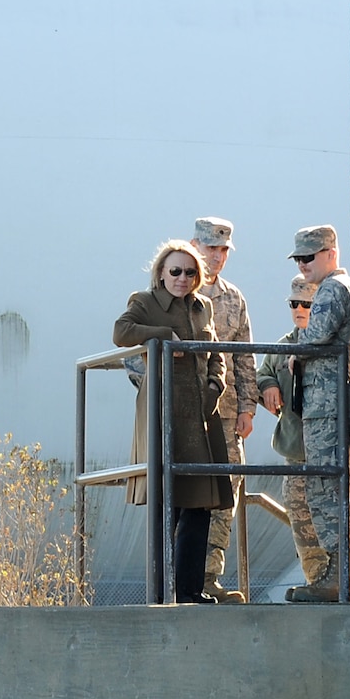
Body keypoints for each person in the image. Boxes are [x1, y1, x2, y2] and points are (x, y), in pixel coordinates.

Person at [114, 240, 230, 604]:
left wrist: (215, 386)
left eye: (190, 272)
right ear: (161, 272)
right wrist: (164, 338)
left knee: (200, 508)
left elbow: (217, 356)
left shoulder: (203, 307)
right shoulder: (145, 302)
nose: (182, 278)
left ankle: (191, 591)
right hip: (164, 413)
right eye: (175, 271)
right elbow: (121, 332)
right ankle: (162, 593)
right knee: (169, 506)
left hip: (200, 415)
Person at [190, 216, 259, 601]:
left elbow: (244, 355)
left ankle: (208, 576)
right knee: (187, 489)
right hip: (188, 413)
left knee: (226, 494)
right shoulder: (179, 288)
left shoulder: (234, 298)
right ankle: (181, 573)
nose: (216, 257)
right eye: (210, 248)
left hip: (228, 413)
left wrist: (248, 406)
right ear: (194, 244)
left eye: (222, 250)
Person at [286, 224, 350, 602]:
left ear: (330, 253)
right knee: (319, 483)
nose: (301, 265)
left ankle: (338, 572)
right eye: (298, 258)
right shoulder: (327, 287)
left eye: (307, 257)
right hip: (320, 405)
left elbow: (319, 332)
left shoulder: (334, 287)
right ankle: (334, 569)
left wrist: (297, 351)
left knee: (326, 485)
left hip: (328, 406)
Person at [258, 275, 329, 588]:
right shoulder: (282, 346)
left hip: (328, 452)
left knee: (330, 515)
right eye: (293, 303)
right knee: (300, 515)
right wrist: (269, 385)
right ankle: (316, 580)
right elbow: (262, 374)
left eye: (307, 303)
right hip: (296, 451)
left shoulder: (330, 344)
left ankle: (338, 576)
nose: (299, 309)